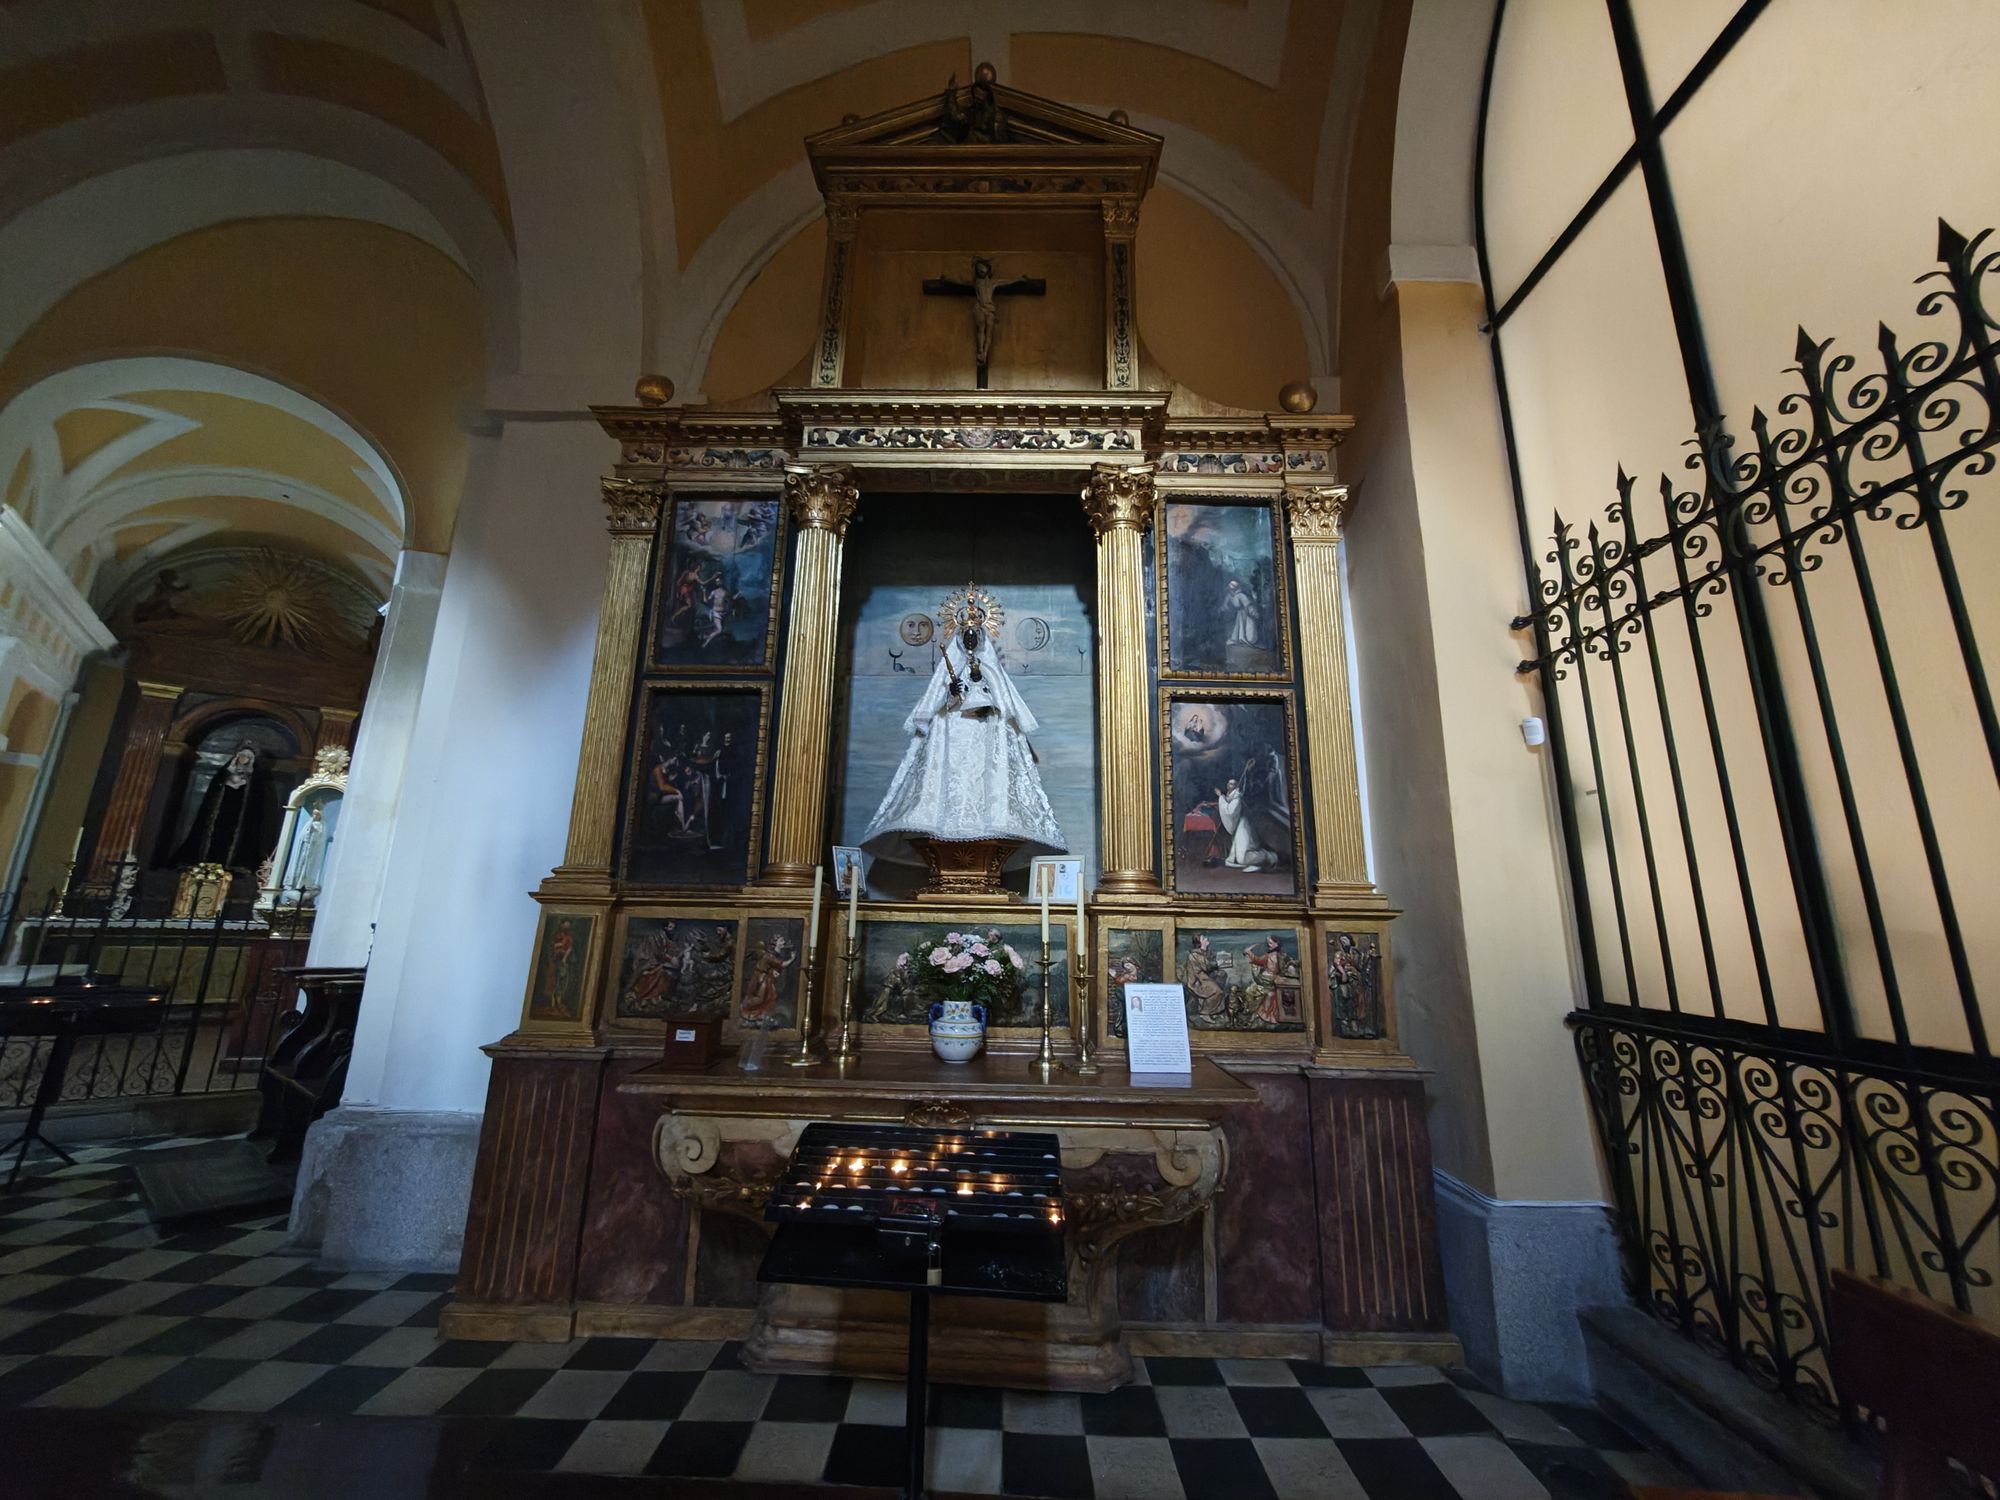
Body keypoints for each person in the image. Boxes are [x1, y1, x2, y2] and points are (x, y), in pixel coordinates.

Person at [862, 586, 1065, 862]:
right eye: (966, 635)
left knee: (986, 777)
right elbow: (933, 703)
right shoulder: (950, 669)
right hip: (953, 732)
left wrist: (984, 686)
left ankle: (986, 822)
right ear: (960, 636)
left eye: (974, 635)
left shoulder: (990, 669)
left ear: (980, 636)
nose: (970, 639)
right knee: (951, 776)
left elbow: (1005, 703)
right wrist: (951, 693)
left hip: (985, 732)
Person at [1216, 777, 1279, 870]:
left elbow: (1230, 812)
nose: (1229, 785)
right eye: (1229, 783)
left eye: (1232, 784)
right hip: (1239, 828)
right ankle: (1267, 856)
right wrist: (1223, 797)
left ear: (1236, 786)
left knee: (1243, 858)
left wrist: (1221, 797)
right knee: (1239, 857)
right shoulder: (1233, 796)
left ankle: (1271, 857)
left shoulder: (1238, 798)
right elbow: (1229, 802)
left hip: (1244, 828)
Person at [738, 936, 796, 1026]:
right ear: (775, 943)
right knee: (760, 998)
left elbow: (773, 966)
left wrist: (773, 972)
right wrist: (792, 959)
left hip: (766, 978)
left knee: (769, 997)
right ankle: (749, 1012)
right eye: (781, 940)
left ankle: (763, 1015)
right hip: (761, 979)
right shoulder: (769, 955)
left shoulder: (775, 953)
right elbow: (780, 964)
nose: (783, 942)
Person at [1182, 934, 1228, 1021]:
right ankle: (1204, 1013)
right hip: (1197, 981)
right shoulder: (1194, 955)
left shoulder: (1206, 952)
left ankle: (1214, 1011)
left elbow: (1212, 963)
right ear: (1199, 943)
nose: (1206, 939)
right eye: (1203, 938)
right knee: (1217, 991)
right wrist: (1218, 962)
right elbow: (1206, 966)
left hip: (1205, 977)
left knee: (1222, 976)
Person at [1223, 577, 1258, 647]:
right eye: (1230, 585)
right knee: (1238, 626)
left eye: (1233, 585)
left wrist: (1252, 613)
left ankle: (1244, 638)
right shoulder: (1229, 595)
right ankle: (1239, 638)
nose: (1230, 586)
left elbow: (1247, 605)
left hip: (1245, 613)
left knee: (1248, 628)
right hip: (1239, 613)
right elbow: (1225, 605)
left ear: (1236, 587)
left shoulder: (1241, 595)